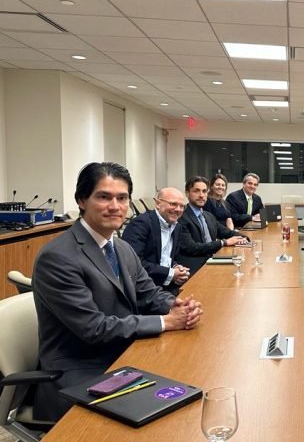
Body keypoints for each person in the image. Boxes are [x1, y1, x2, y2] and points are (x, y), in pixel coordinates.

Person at [32, 162, 203, 421]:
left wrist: (176, 306)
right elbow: (94, 328)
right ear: (82, 200)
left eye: (122, 198)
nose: (115, 206)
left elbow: (149, 293)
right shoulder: (58, 257)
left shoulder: (121, 247)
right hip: (81, 372)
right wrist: (166, 322)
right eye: (104, 197)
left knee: (190, 381)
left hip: (124, 355)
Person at [122, 187, 191, 294]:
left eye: (182, 206)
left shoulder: (176, 226)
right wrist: (171, 273)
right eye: (173, 204)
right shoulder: (141, 224)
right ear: (158, 204)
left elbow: (166, 256)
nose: (178, 209)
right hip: (143, 290)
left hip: (164, 285)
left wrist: (176, 267)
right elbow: (134, 264)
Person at [178, 175, 248, 274]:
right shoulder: (181, 217)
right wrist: (223, 243)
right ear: (187, 193)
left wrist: (244, 238)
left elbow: (226, 232)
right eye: (196, 191)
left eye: (204, 191)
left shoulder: (208, 216)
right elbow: (191, 248)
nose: (201, 195)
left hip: (211, 259)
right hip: (194, 265)